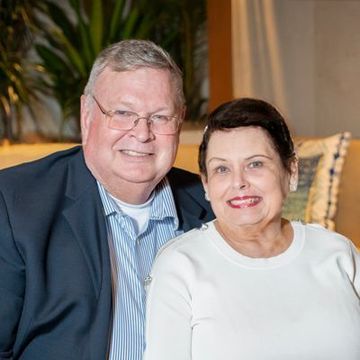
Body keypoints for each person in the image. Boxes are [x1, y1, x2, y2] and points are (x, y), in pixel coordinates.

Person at [0, 40, 214, 360]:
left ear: (180, 120)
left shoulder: (214, 205)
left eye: (160, 117)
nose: (142, 133)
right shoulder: (14, 205)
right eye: (123, 113)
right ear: (87, 116)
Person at [144, 98, 360, 360]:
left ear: (291, 171)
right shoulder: (180, 266)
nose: (238, 182)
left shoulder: (338, 252)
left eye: (255, 164)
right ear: (206, 184)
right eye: (222, 169)